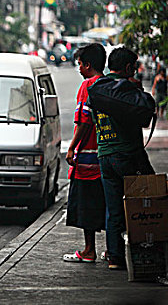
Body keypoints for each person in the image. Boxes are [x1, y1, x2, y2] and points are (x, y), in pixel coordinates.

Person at [89, 47, 155, 270]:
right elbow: (145, 113)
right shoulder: (129, 89)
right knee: (148, 202)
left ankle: (115, 257)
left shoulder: (97, 87)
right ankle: (147, 251)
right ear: (128, 67)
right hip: (127, 154)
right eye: (134, 67)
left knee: (114, 209)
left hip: (105, 156)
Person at [62, 43, 106, 264]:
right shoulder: (109, 84)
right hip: (106, 156)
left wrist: (72, 147)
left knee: (86, 205)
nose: (78, 69)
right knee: (107, 204)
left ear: (88, 65)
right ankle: (112, 250)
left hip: (88, 158)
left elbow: (84, 121)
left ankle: (89, 250)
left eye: (79, 64)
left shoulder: (88, 86)